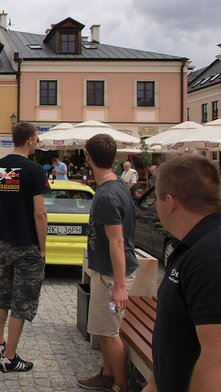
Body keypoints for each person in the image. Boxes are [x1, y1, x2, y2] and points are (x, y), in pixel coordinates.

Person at [141, 155, 221, 392]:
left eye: (156, 199)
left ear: (169, 202)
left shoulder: (211, 256)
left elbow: (216, 359)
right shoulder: (193, 246)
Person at [0, 122, 48, 373]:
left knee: (4, 294)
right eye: (37, 139)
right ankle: (10, 358)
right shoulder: (34, 170)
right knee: (21, 301)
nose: (38, 143)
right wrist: (42, 249)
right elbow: (40, 214)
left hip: (5, 241)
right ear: (30, 140)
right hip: (27, 243)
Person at [79, 134, 139, 391]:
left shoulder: (106, 196)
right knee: (102, 329)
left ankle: (120, 385)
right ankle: (106, 374)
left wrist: (119, 286)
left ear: (89, 157)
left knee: (109, 332)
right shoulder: (117, 185)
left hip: (111, 277)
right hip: (107, 273)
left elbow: (117, 243)